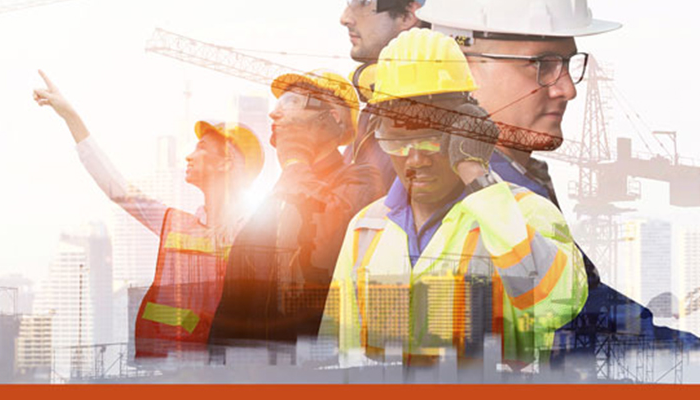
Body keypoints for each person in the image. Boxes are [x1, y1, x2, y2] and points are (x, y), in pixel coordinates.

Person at [417, 0, 700, 374]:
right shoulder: (473, 203)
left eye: (569, 65)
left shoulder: (511, 185)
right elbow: (591, 327)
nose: (568, 90)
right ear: (458, 67)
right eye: (542, 65)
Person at [321, 28, 588, 369]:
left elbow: (555, 304)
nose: (415, 159)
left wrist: (477, 174)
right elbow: (335, 355)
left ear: (465, 132)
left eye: (431, 141)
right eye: (398, 144)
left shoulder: (527, 214)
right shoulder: (366, 229)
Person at [32, 70, 264, 361]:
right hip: (178, 368)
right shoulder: (176, 223)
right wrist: (70, 116)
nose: (189, 156)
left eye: (202, 148)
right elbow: (117, 189)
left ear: (226, 164)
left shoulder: (257, 234)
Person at [207, 70, 382, 358]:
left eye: (292, 101)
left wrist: (295, 162)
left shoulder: (362, 180)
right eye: (278, 104)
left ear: (334, 117)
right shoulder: (272, 201)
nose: (275, 114)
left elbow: (325, 246)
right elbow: (235, 301)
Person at [339, 0, 427, 196]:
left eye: (364, 3)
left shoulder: (422, 119)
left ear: (407, 16)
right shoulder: (378, 101)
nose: (344, 19)